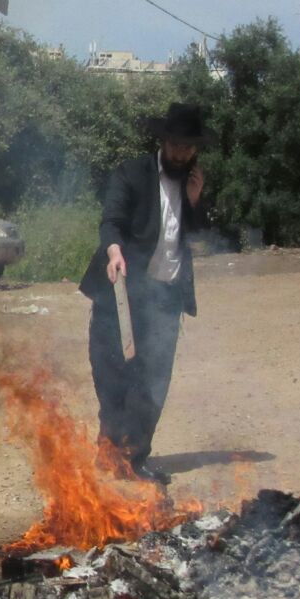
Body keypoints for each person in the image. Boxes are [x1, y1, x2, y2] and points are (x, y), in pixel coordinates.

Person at [78, 102, 210, 483]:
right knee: (112, 376)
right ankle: (109, 452)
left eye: (188, 148)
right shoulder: (131, 173)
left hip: (166, 298)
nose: (181, 153)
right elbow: (112, 221)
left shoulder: (192, 181)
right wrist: (114, 250)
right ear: (163, 141)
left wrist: (196, 202)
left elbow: (197, 235)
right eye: (175, 145)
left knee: (153, 382)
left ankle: (135, 459)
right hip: (120, 292)